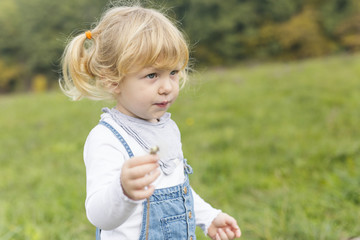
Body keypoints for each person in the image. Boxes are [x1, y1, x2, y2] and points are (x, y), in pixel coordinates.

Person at [60, 1, 241, 240]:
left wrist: (208, 217)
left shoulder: (166, 127)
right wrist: (122, 191)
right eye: (152, 75)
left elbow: (176, 190)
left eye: (173, 73)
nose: (167, 87)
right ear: (112, 81)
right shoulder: (106, 138)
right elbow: (98, 215)